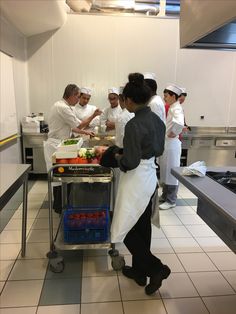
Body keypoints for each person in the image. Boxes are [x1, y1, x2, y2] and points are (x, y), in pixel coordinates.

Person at [110, 73, 170, 295]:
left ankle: (156, 268)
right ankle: (139, 272)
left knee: (124, 228)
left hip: (135, 179)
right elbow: (159, 150)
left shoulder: (134, 124)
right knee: (142, 225)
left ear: (129, 101)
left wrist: (118, 157)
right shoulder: (156, 119)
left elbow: (131, 161)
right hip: (150, 177)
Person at [44, 84, 101, 212]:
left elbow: (73, 127)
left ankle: (63, 205)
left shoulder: (61, 105)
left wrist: (87, 133)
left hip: (60, 146)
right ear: (72, 95)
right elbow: (78, 125)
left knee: (63, 177)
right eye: (78, 96)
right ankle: (60, 207)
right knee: (59, 177)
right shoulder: (63, 107)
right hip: (56, 147)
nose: (79, 99)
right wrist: (93, 116)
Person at [159, 84, 185, 210]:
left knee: (172, 172)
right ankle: (165, 196)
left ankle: (171, 200)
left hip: (172, 145)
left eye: (166, 96)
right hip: (167, 144)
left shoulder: (177, 108)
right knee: (165, 171)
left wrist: (173, 132)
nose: (164, 98)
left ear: (173, 96)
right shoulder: (172, 107)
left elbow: (180, 123)